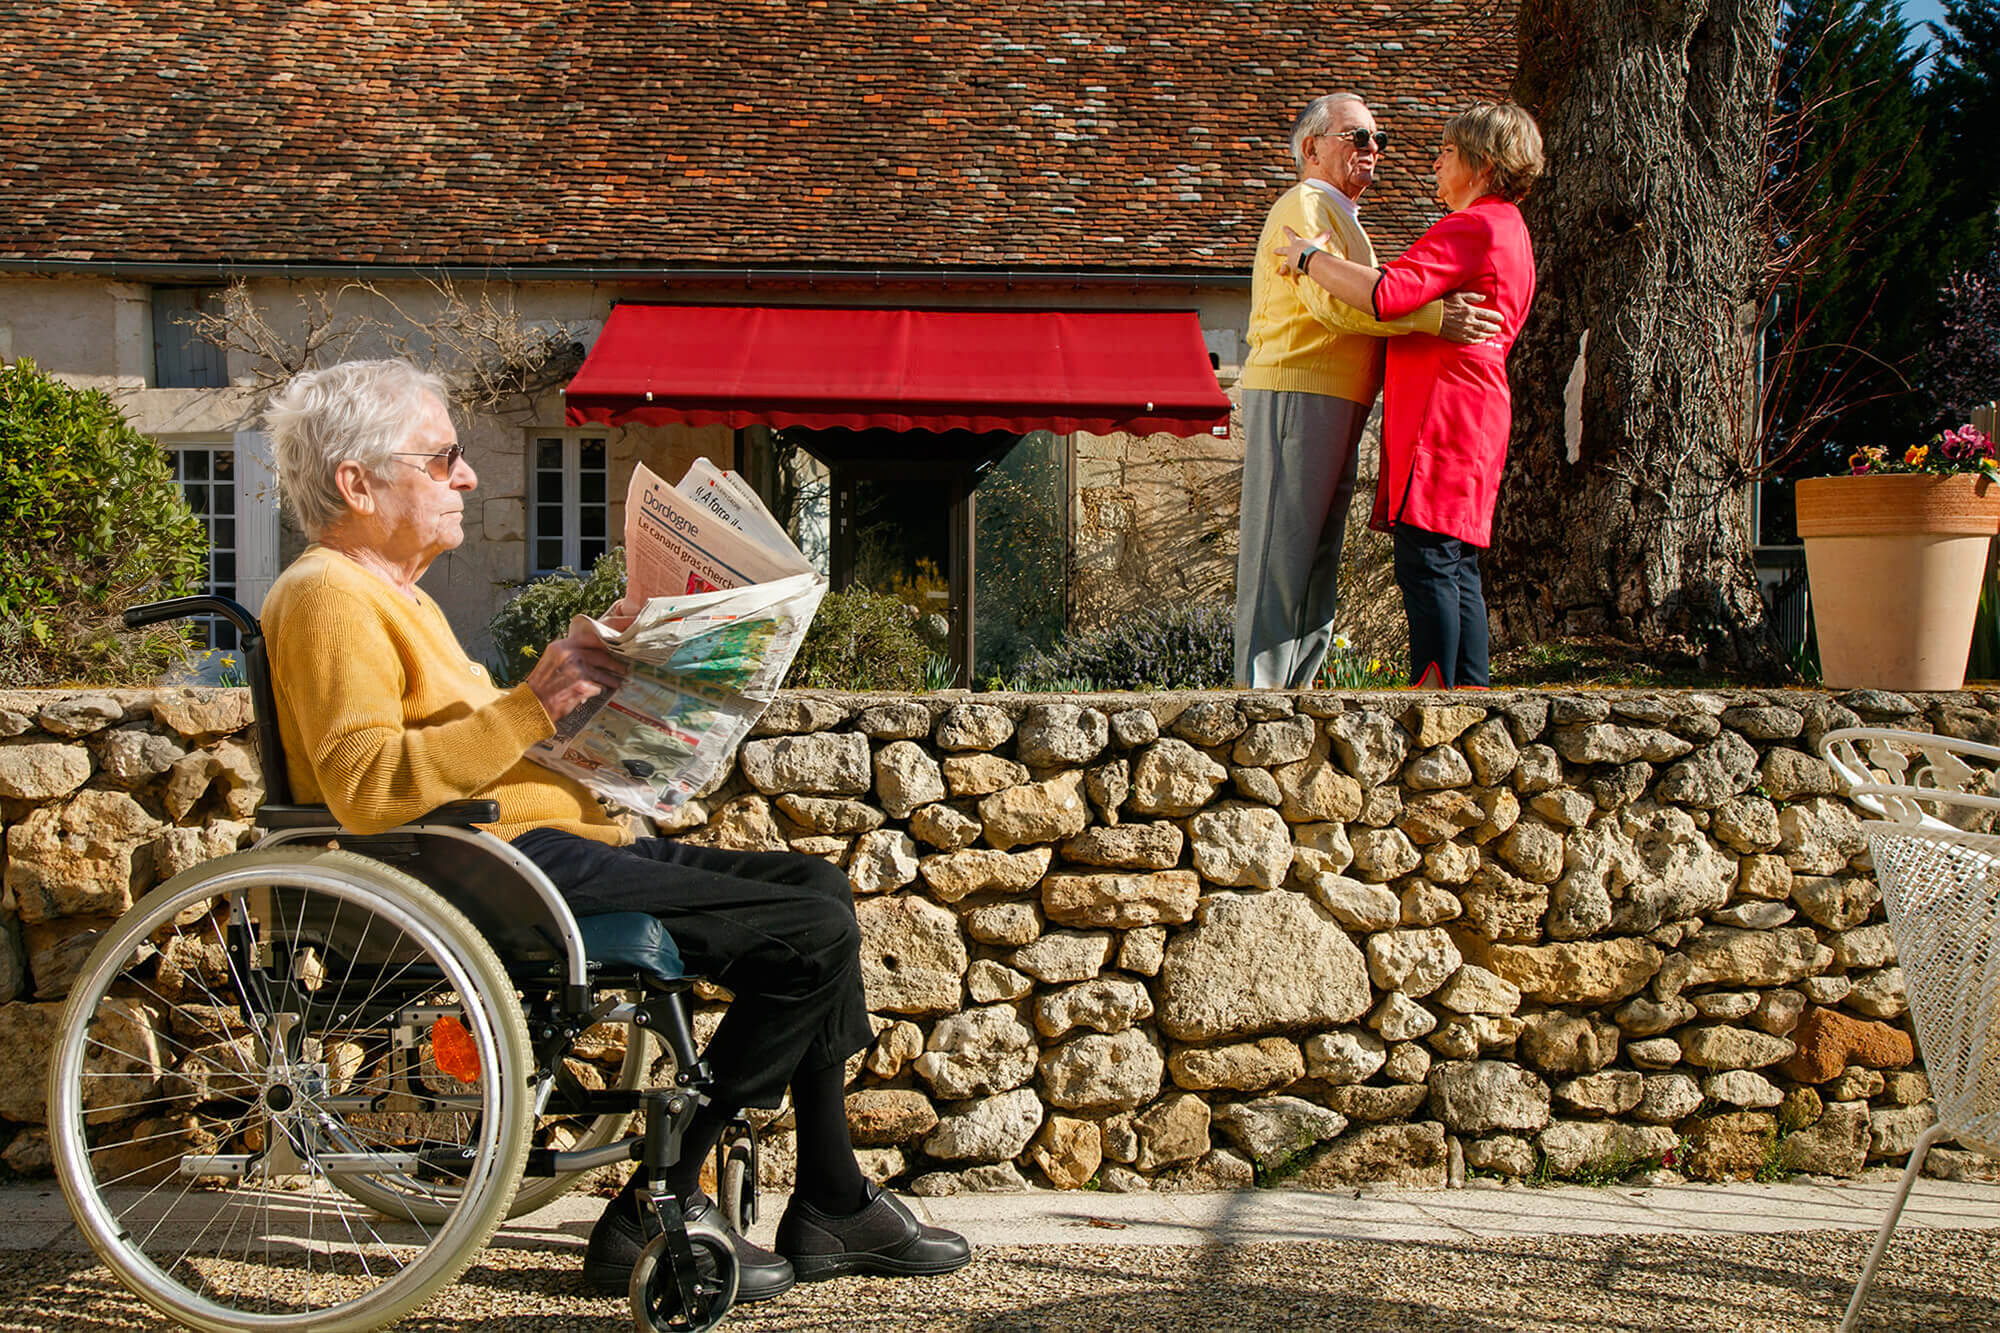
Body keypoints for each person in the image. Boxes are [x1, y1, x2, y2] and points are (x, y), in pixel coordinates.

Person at [257, 359, 969, 1303]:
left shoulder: (403, 599)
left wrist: (617, 716)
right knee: (813, 935)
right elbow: (365, 783)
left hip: (547, 843)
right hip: (494, 868)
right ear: (357, 482)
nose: (467, 476)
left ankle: (832, 1197)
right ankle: (659, 1200)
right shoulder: (326, 596)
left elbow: (482, 750)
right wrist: (533, 706)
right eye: (442, 459)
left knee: (819, 891)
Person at [1234, 92, 1503, 690]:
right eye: (1358, 138)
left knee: (1315, 556)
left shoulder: (1340, 216)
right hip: (1299, 388)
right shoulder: (1304, 204)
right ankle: (1258, 698)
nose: (1374, 150)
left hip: (1338, 397)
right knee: (1282, 552)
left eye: (1379, 140)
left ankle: (1293, 691)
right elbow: (1334, 302)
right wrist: (1435, 318)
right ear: (1311, 149)